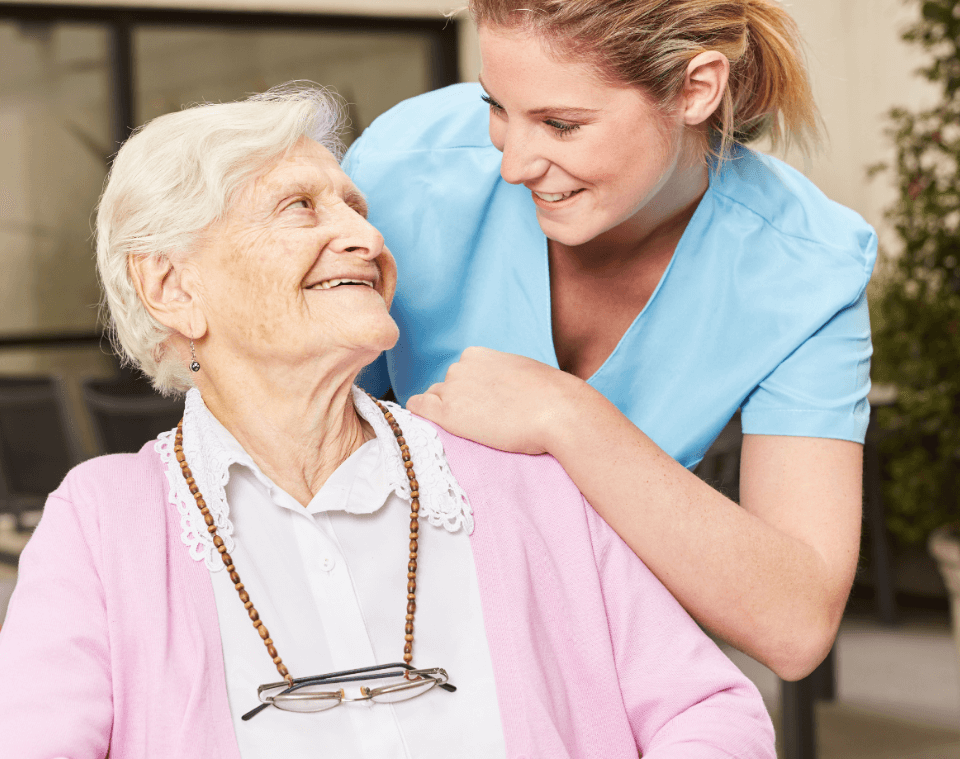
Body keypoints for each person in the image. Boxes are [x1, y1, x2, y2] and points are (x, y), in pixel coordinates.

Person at [0, 87, 774, 759]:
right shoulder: (103, 523)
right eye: (300, 207)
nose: (366, 239)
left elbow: (710, 711)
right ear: (171, 285)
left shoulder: (520, 479)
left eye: (357, 208)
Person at [343, 0, 876, 681]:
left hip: (593, 656)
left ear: (697, 88)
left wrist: (567, 416)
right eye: (497, 106)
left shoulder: (809, 269)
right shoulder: (405, 169)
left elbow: (796, 621)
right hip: (374, 635)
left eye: (562, 124)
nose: (515, 163)